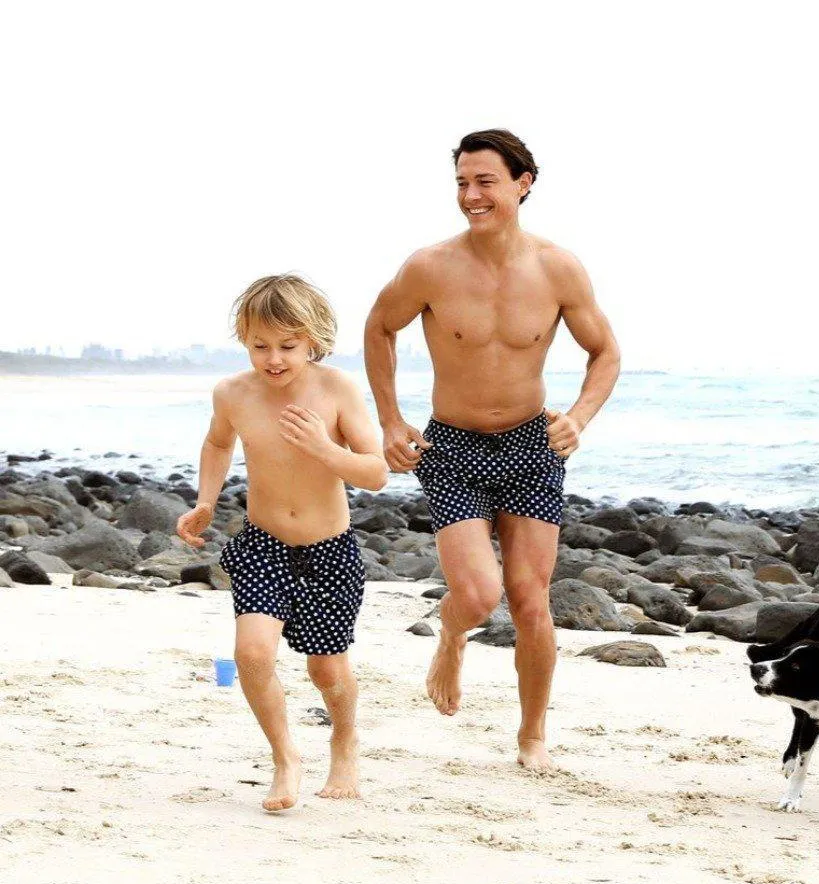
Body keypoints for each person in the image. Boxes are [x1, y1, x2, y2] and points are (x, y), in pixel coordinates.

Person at [364, 129, 620, 771]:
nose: (471, 195)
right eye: (461, 182)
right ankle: (451, 634)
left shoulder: (558, 267)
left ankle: (532, 735)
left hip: (533, 448)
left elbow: (605, 352)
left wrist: (580, 418)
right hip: (451, 448)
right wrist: (391, 421)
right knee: (477, 596)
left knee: (530, 600)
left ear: (523, 182)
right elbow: (379, 327)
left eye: (485, 181)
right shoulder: (430, 266)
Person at [177, 275, 388, 811]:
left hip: (329, 550)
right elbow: (218, 442)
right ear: (243, 339)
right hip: (263, 543)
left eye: (287, 346)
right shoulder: (232, 393)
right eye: (259, 345)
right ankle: (285, 758)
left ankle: (344, 741)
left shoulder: (337, 389)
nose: (273, 359)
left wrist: (324, 448)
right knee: (251, 653)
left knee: (327, 671)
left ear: (313, 339)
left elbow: (376, 472)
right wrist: (206, 500)